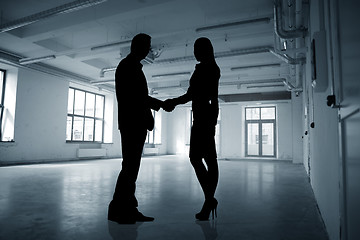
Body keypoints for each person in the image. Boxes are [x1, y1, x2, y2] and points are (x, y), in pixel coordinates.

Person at [108, 33, 164, 224]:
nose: (149, 49)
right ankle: (118, 210)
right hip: (132, 124)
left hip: (134, 123)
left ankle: (128, 208)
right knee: (130, 168)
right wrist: (160, 104)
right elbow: (135, 98)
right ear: (137, 46)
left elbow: (137, 97)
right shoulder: (128, 67)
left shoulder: (132, 67)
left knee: (131, 168)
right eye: (147, 45)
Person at [163, 37, 220, 221]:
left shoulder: (206, 68)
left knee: (196, 158)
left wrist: (173, 102)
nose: (194, 52)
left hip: (203, 117)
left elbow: (193, 94)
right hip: (207, 116)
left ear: (204, 50)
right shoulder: (211, 67)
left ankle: (209, 200)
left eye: (197, 48)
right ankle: (209, 201)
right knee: (210, 159)